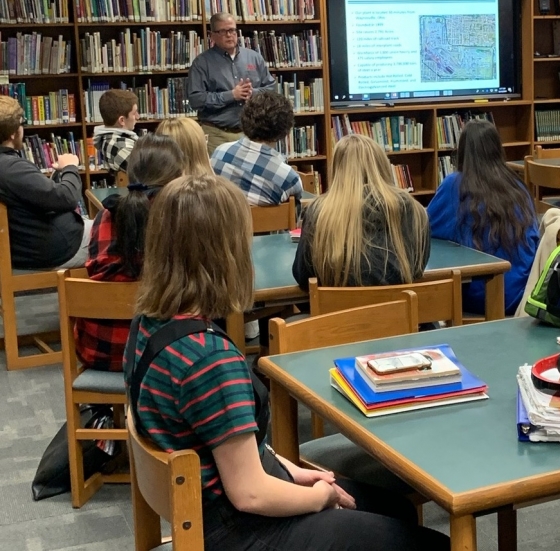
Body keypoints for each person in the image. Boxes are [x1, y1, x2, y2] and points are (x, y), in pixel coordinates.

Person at [125, 174, 448, 550]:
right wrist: (320, 498)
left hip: (208, 509)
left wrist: (291, 471)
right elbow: (251, 495)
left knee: (392, 509)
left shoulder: (147, 326)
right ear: (225, 253)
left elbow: (224, 442)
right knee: (429, 542)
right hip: (239, 530)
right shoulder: (209, 359)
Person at [76, 135, 184, 371]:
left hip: (97, 350)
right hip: (162, 357)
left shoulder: (105, 215)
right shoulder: (178, 216)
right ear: (177, 178)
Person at [427, 119, 539, 314]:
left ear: (463, 153)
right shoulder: (517, 186)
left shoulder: (455, 185)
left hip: (481, 297)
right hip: (522, 293)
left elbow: (425, 229)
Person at [293, 134, 429, 289]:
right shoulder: (413, 210)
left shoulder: (318, 212)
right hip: (398, 310)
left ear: (337, 170)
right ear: (382, 166)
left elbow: (303, 277)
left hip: (337, 311)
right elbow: (418, 269)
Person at [0, 95, 90, 269]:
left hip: (31, 246)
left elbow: (34, 197)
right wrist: (70, 166)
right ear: (13, 133)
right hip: (59, 249)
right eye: (22, 123)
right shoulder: (12, 168)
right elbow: (67, 198)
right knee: (129, 231)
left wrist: (59, 174)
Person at [187, 11, 276, 155]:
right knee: (217, 177)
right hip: (217, 134)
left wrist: (253, 93)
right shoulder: (202, 63)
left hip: (251, 134)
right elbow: (196, 99)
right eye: (223, 31)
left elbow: (271, 89)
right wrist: (231, 95)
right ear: (212, 35)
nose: (229, 35)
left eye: (232, 30)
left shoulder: (254, 58)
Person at [212, 90, 304, 206]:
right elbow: (295, 215)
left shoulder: (219, 153)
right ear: (285, 130)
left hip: (226, 223)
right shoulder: (289, 178)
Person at [92, 89, 139, 173]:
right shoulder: (118, 146)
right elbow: (149, 174)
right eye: (134, 113)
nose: (137, 117)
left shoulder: (116, 139)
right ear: (122, 120)